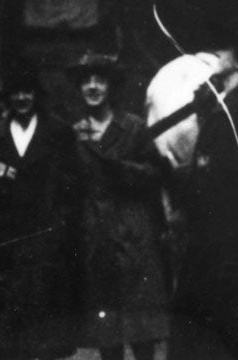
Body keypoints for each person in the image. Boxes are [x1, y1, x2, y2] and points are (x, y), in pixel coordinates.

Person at [165, 31, 238, 360]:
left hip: (226, 243)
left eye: (227, 50)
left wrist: (180, 184)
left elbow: (223, 176)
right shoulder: (228, 104)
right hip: (215, 238)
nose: (219, 52)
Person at [0, 62, 84, 360]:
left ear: (36, 95)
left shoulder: (59, 132)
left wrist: (61, 224)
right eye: (15, 93)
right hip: (8, 240)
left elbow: (73, 183)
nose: (22, 98)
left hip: (47, 239)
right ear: (7, 97)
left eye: (27, 92)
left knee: (47, 332)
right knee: (10, 336)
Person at [72, 54, 171, 360]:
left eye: (99, 80)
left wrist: (121, 169)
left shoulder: (133, 128)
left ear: (111, 86)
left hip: (133, 235)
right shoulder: (73, 133)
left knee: (141, 330)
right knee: (107, 331)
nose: (92, 87)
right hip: (96, 235)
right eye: (86, 81)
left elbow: (157, 174)